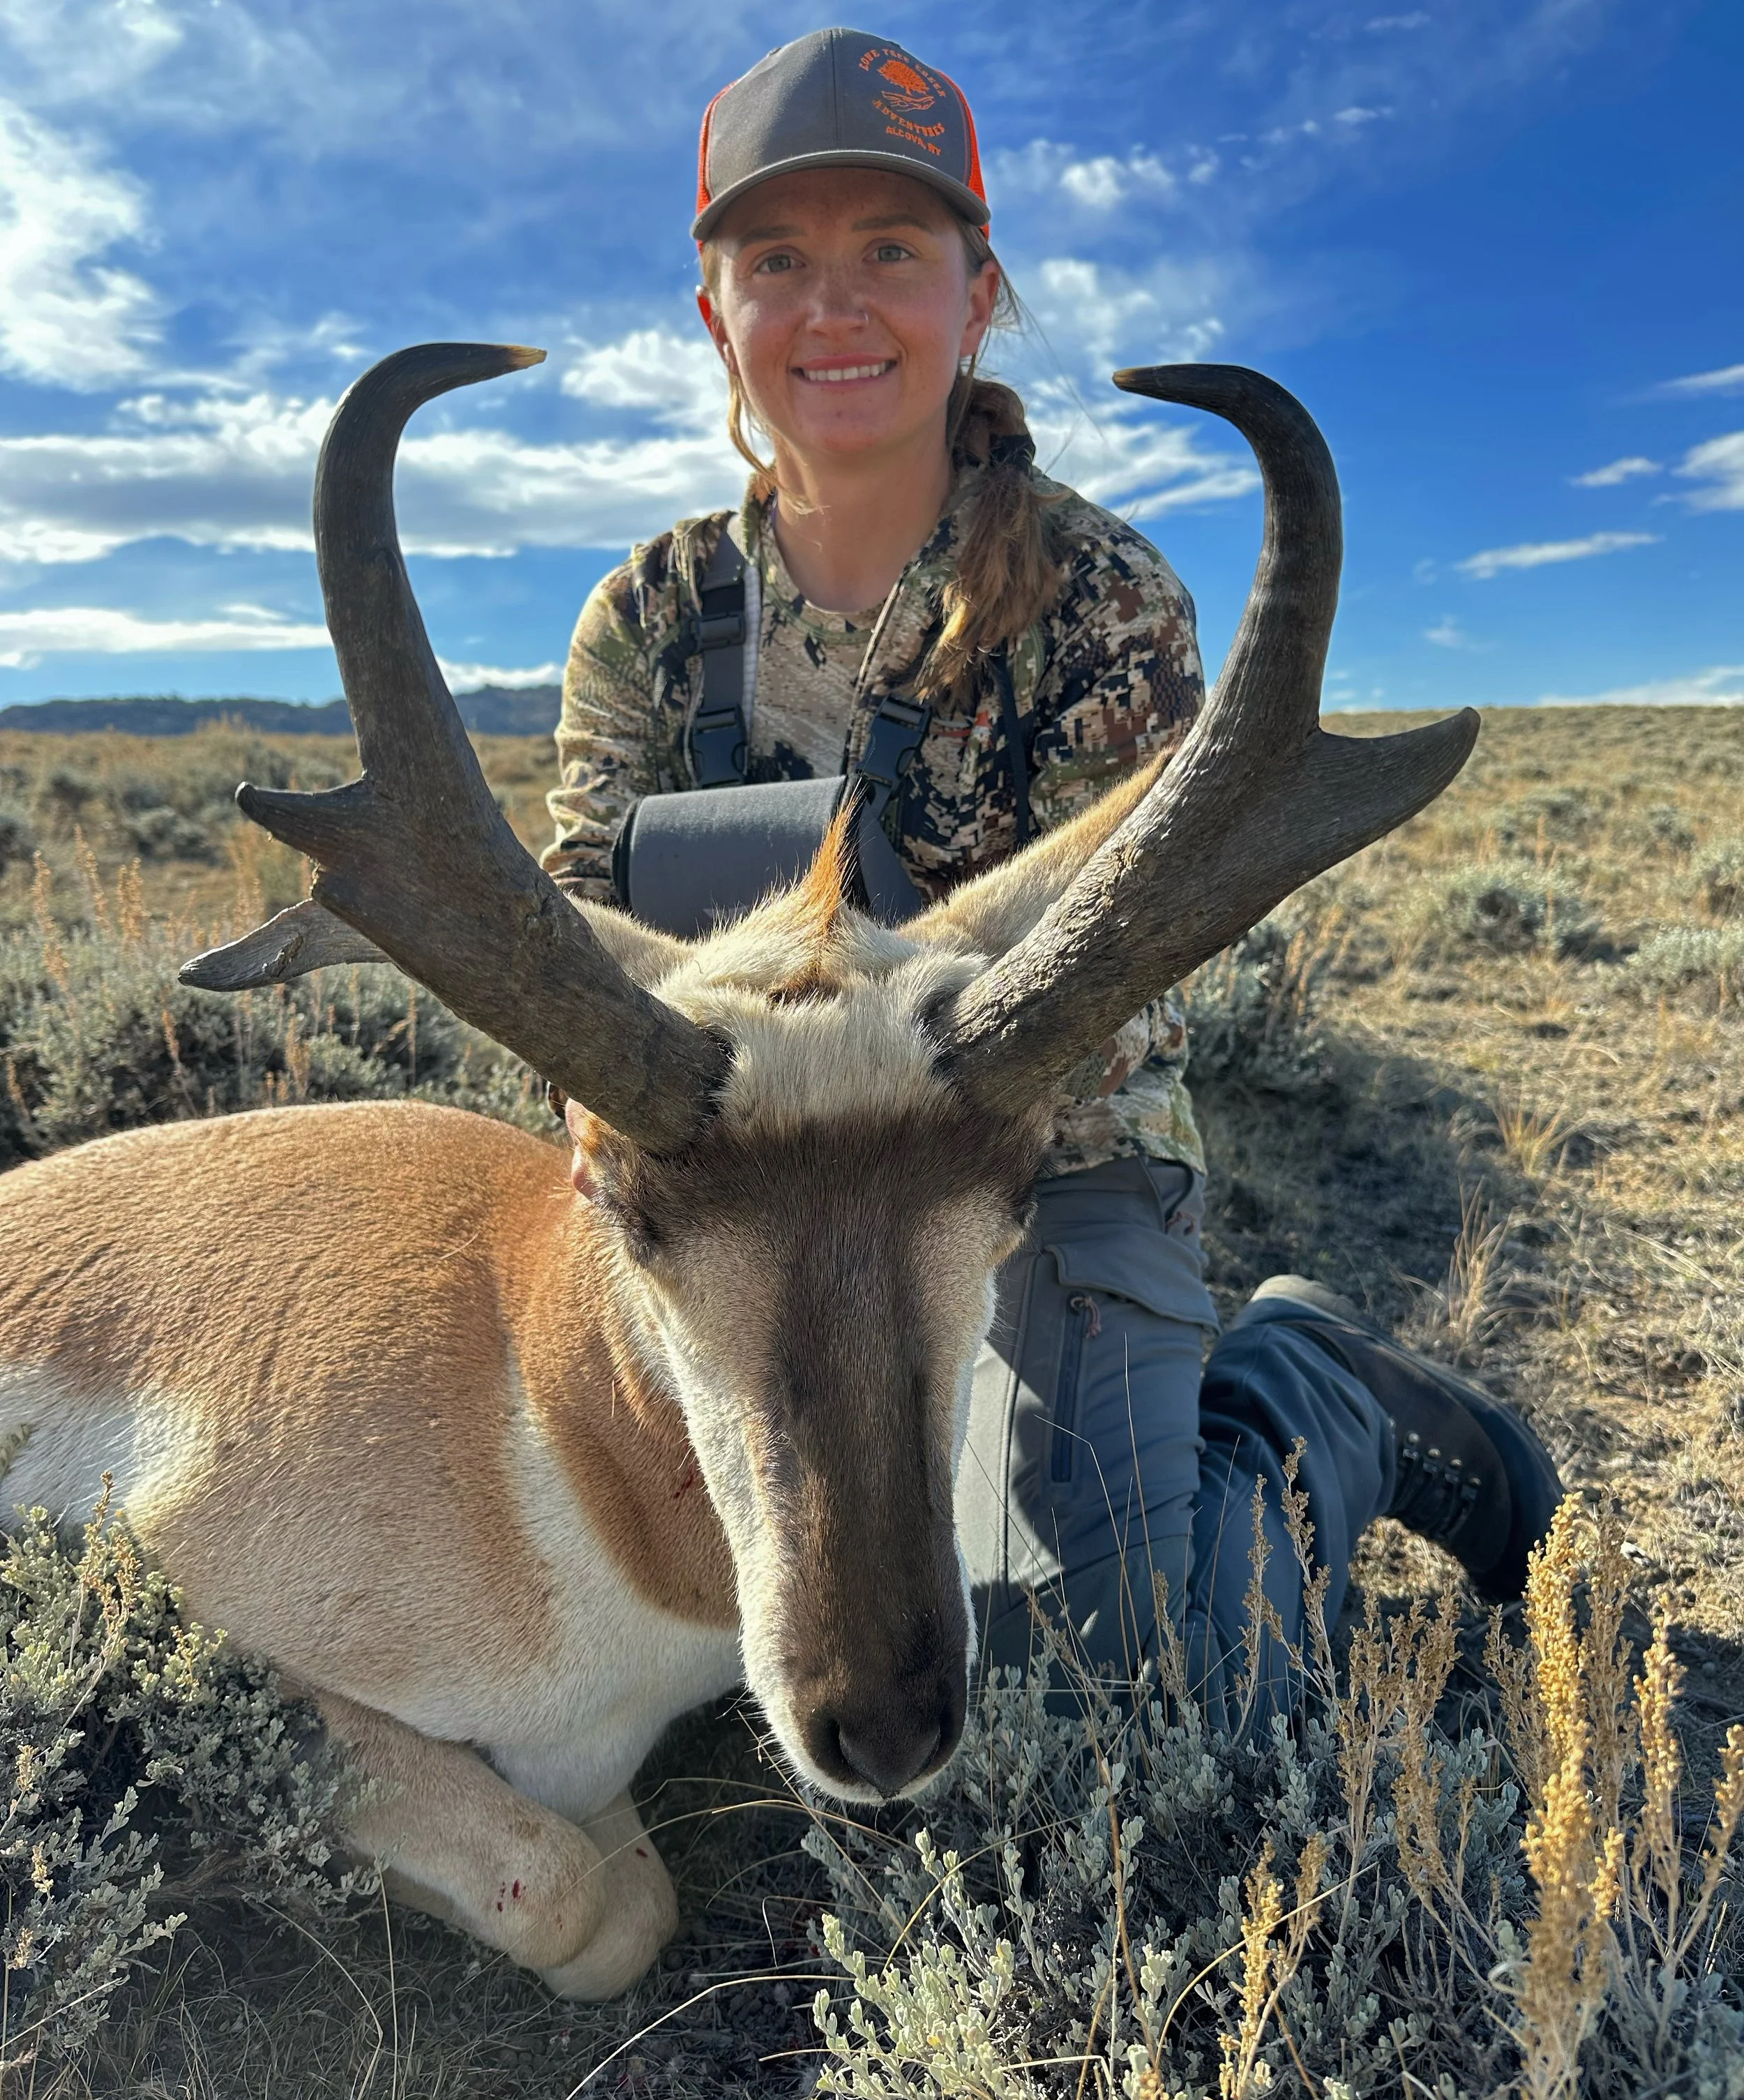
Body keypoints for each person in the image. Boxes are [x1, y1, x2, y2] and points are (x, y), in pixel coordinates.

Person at [541, 27, 1562, 1730]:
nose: (835, 306)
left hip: (1027, 1173)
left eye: (890, 252)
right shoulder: (645, 623)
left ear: (975, 293)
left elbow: (1149, 966)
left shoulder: (1095, 592)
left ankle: (1312, 1391)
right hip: (725, 1224)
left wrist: (869, 1045)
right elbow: (569, 982)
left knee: (1111, 1684)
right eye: (777, 260)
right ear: (715, 312)